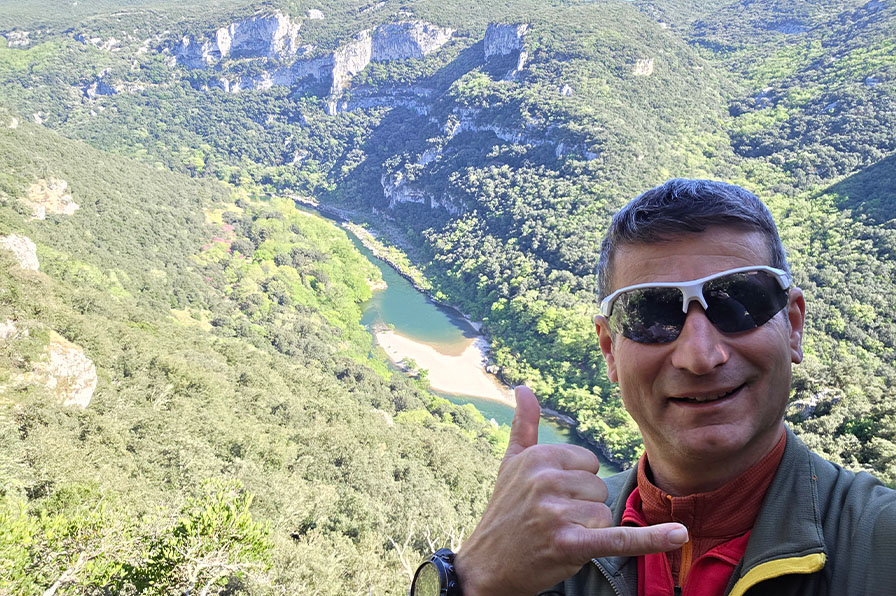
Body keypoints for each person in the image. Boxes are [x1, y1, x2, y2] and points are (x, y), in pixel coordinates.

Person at [409, 179, 896, 596]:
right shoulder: (540, 549)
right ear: (609, 350)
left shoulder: (880, 543)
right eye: (652, 315)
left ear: (793, 327)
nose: (700, 356)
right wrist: (474, 578)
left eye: (740, 302)